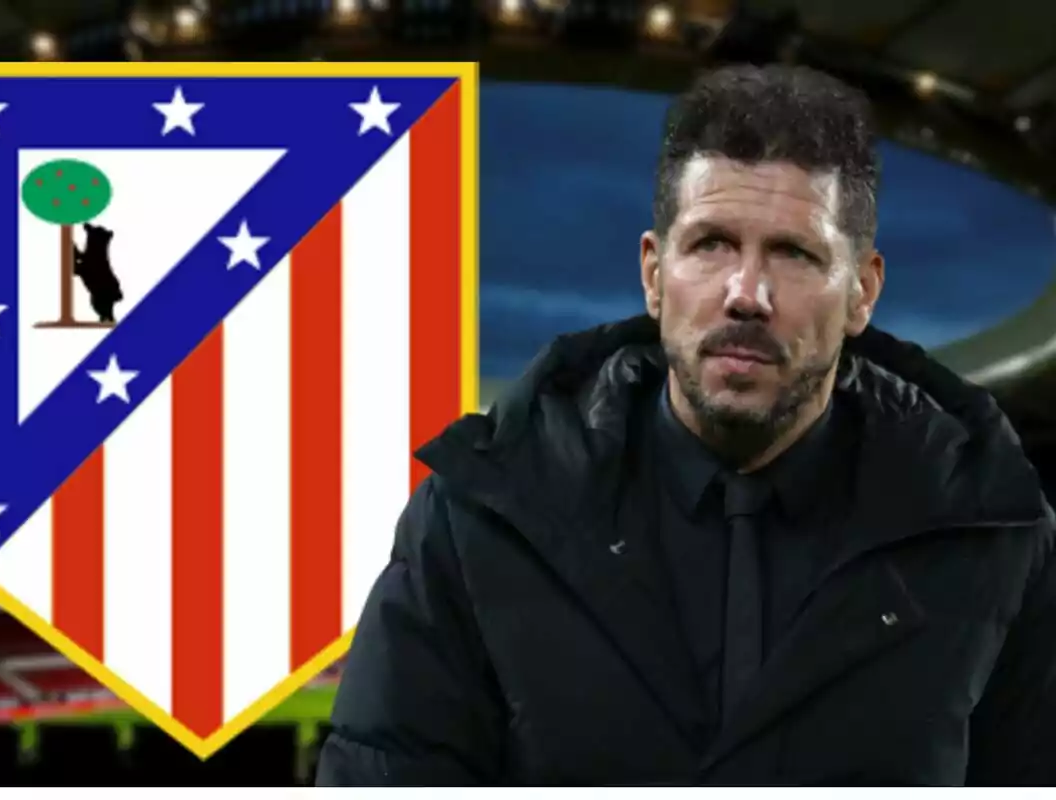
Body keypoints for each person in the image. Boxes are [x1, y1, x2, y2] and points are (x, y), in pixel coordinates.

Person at [315, 64, 1056, 785]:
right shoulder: (477, 517)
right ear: (653, 273)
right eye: (711, 245)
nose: (747, 294)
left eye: (794, 254)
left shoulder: (991, 536)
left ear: (862, 291)